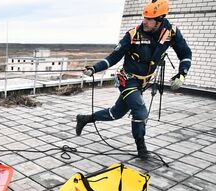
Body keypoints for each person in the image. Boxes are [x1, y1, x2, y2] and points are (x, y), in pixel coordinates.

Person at [75, 0, 192, 159]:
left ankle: (85, 119)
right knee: (140, 111)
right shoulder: (133, 35)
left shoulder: (171, 33)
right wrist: (94, 68)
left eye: (149, 19)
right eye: (144, 17)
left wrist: (182, 73)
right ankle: (141, 148)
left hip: (142, 82)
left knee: (115, 113)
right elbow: (113, 57)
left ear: (160, 20)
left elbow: (185, 54)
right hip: (127, 80)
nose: (144, 21)